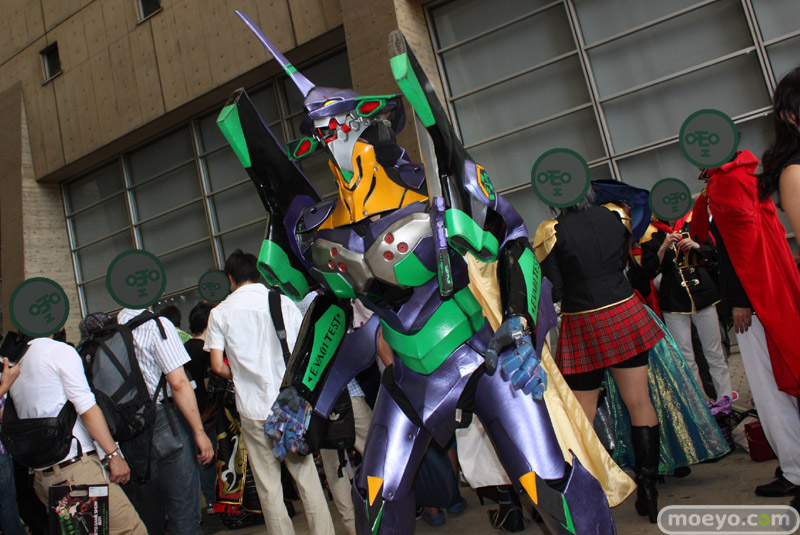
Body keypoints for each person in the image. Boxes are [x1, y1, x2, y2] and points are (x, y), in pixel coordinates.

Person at [535, 189, 663, 522]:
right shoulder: (616, 216)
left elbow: (554, 289)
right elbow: (624, 264)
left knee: (582, 416)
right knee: (640, 402)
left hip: (583, 321)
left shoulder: (551, 231)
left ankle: (588, 497)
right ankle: (649, 491)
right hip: (625, 310)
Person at [693, 145, 800, 499]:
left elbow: (740, 246)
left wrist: (741, 302)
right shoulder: (747, 174)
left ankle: (794, 469)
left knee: (770, 391)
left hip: (755, 302)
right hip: (773, 293)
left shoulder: (725, 184)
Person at [205, 250, 335, 535]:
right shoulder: (281, 301)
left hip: (252, 409)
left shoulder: (219, 313)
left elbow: (217, 365)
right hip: (287, 404)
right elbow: (303, 349)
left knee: (268, 487)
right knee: (306, 478)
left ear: (230, 278)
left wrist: (239, 374)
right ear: (258, 274)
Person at [6, 337, 146, 534]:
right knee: (131, 530)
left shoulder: (15, 361)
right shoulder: (57, 351)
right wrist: (114, 455)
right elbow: (86, 407)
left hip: (45, 476)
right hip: (75, 471)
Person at [116, 306, 213, 535]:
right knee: (183, 509)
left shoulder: (115, 328)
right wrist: (199, 432)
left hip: (130, 427)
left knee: (148, 513)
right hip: (164, 419)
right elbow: (178, 383)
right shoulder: (156, 325)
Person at [640, 215, 733, 402]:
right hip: (674, 301)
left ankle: (726, 400)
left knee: (715, 353)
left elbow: (714, 252)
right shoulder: (651, 233)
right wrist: (664, 246)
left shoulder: (694, 223)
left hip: (704, 295)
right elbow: (648, 270)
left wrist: (697, 246)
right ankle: (696, 405)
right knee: (685, 357)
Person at [183, 302, 216, 509]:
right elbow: (207, 383)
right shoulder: (206, 351)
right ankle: (215, 500)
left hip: (189, 413)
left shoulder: (183, 348)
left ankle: (208, 501)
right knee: (210, 458)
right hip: (208, 413)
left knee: (199, 459)